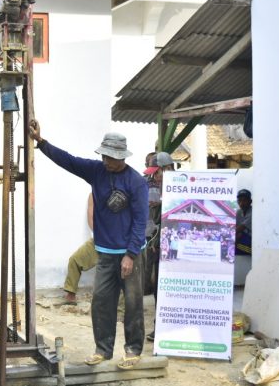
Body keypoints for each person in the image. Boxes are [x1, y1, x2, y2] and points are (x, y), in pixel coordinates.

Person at [28, 120, 148, 370]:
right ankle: (103, 350)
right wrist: (41, 143)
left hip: (131, 254)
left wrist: (130, 254)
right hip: (105, 253)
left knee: (133, 304)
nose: (105, 161)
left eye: (110, 157)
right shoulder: (96, 171)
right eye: (103, 156)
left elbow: (140, 221)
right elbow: (69, 161)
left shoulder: (136, 181)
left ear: (121, 157)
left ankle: (133, 350)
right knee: (101, 303)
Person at [145, 152, 176, 342]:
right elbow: (151, 221)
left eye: (156, 173)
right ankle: (161, 328)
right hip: (156, 248)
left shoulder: (182, 189)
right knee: (159, 289)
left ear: (167, 169)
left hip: (176, 251)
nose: (154, 177)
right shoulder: (152, 188)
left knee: (172, 291)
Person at [62, 194, 98, 304]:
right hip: (99, 239)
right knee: (75, 260)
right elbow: (90, 218)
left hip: (118, 243)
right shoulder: (93, 194)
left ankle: (120, 307)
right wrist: (101, 235)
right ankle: (71, 295)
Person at [235, 189, 252, 255]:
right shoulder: (239, 212)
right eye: (239, 200)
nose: (241, 203)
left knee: (235, 247)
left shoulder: (253, 212)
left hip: (251, 241)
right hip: (243, 238)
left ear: (250, 201)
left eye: (244, 200)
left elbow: (240, 228)